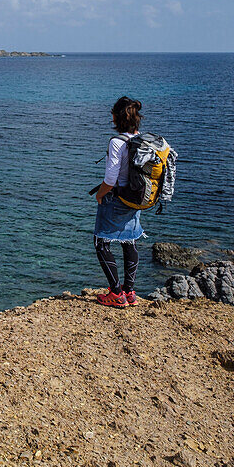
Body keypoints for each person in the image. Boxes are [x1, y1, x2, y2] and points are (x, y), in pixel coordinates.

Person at [93, 96, 145, 308]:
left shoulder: (117, 142)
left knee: (101, 242)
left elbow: (111, 178)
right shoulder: (140, 139)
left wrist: (100, 194)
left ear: (116, 117)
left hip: (116, 198)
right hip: (135, 199)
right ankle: (129, 291)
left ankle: (115, 292)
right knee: (129, 240)